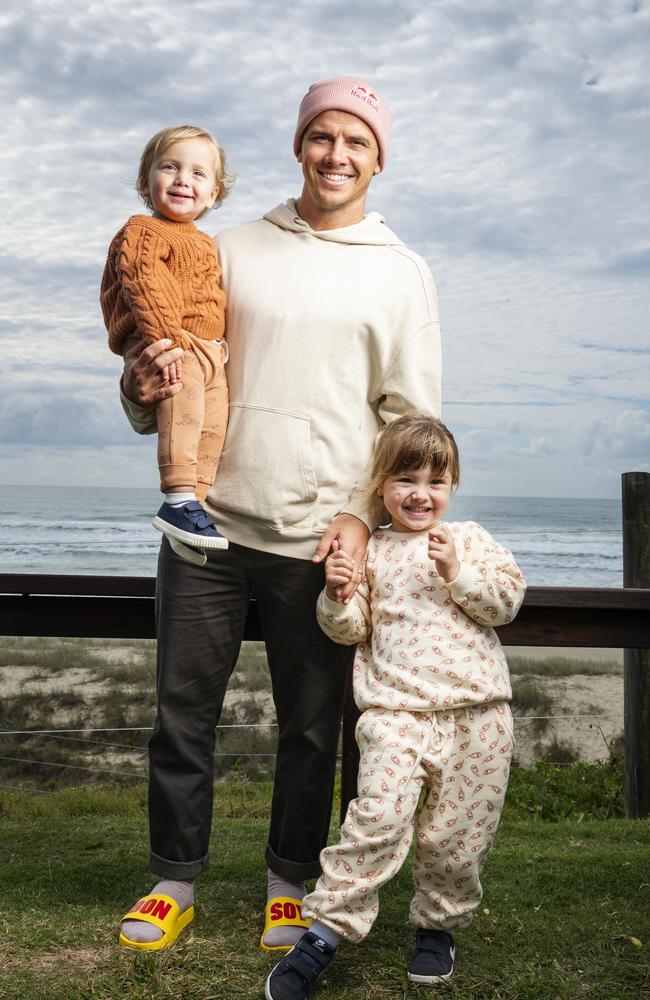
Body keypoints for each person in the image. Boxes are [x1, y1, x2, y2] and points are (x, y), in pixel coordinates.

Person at [116, 77, 442, 954]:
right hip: (207, 527)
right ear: (299, 145)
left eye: (357, 143)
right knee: (182, 714)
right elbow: (176, 364)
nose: (337, 155)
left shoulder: (402, 272)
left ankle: (288, 882)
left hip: (319, 540)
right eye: (322, 137)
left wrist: (365, 520)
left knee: (311, 726)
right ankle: (174, 879)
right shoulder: (227, 246)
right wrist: (139, 391)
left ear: (379, 158)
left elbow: (409, 422)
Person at [265, 415, 526, 998]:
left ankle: (436, 927)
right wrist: (335, 594)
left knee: (457, 836)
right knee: (376, 819)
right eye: (405, 479)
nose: (419, 494)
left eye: (435, 481)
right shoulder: (373, 552)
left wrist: (457, 573)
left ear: (452, 485)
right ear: (381, 486)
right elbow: (348, 629)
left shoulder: (473, 541)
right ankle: (326, 931)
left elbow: (506, 602)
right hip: (393, 713)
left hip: (478, 715)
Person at [101, 124, 234, 560]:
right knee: (182, 415)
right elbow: (145, 283)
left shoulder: (207, 242)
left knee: (211, 428)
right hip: (171, 343)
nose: (183, 180)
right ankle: (178, 497)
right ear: (146, 181)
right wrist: (168, 341)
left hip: (210, 348)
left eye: (198, 174)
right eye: (170, 168)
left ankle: (193, 509)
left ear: (214, 193)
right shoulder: (144, 230)